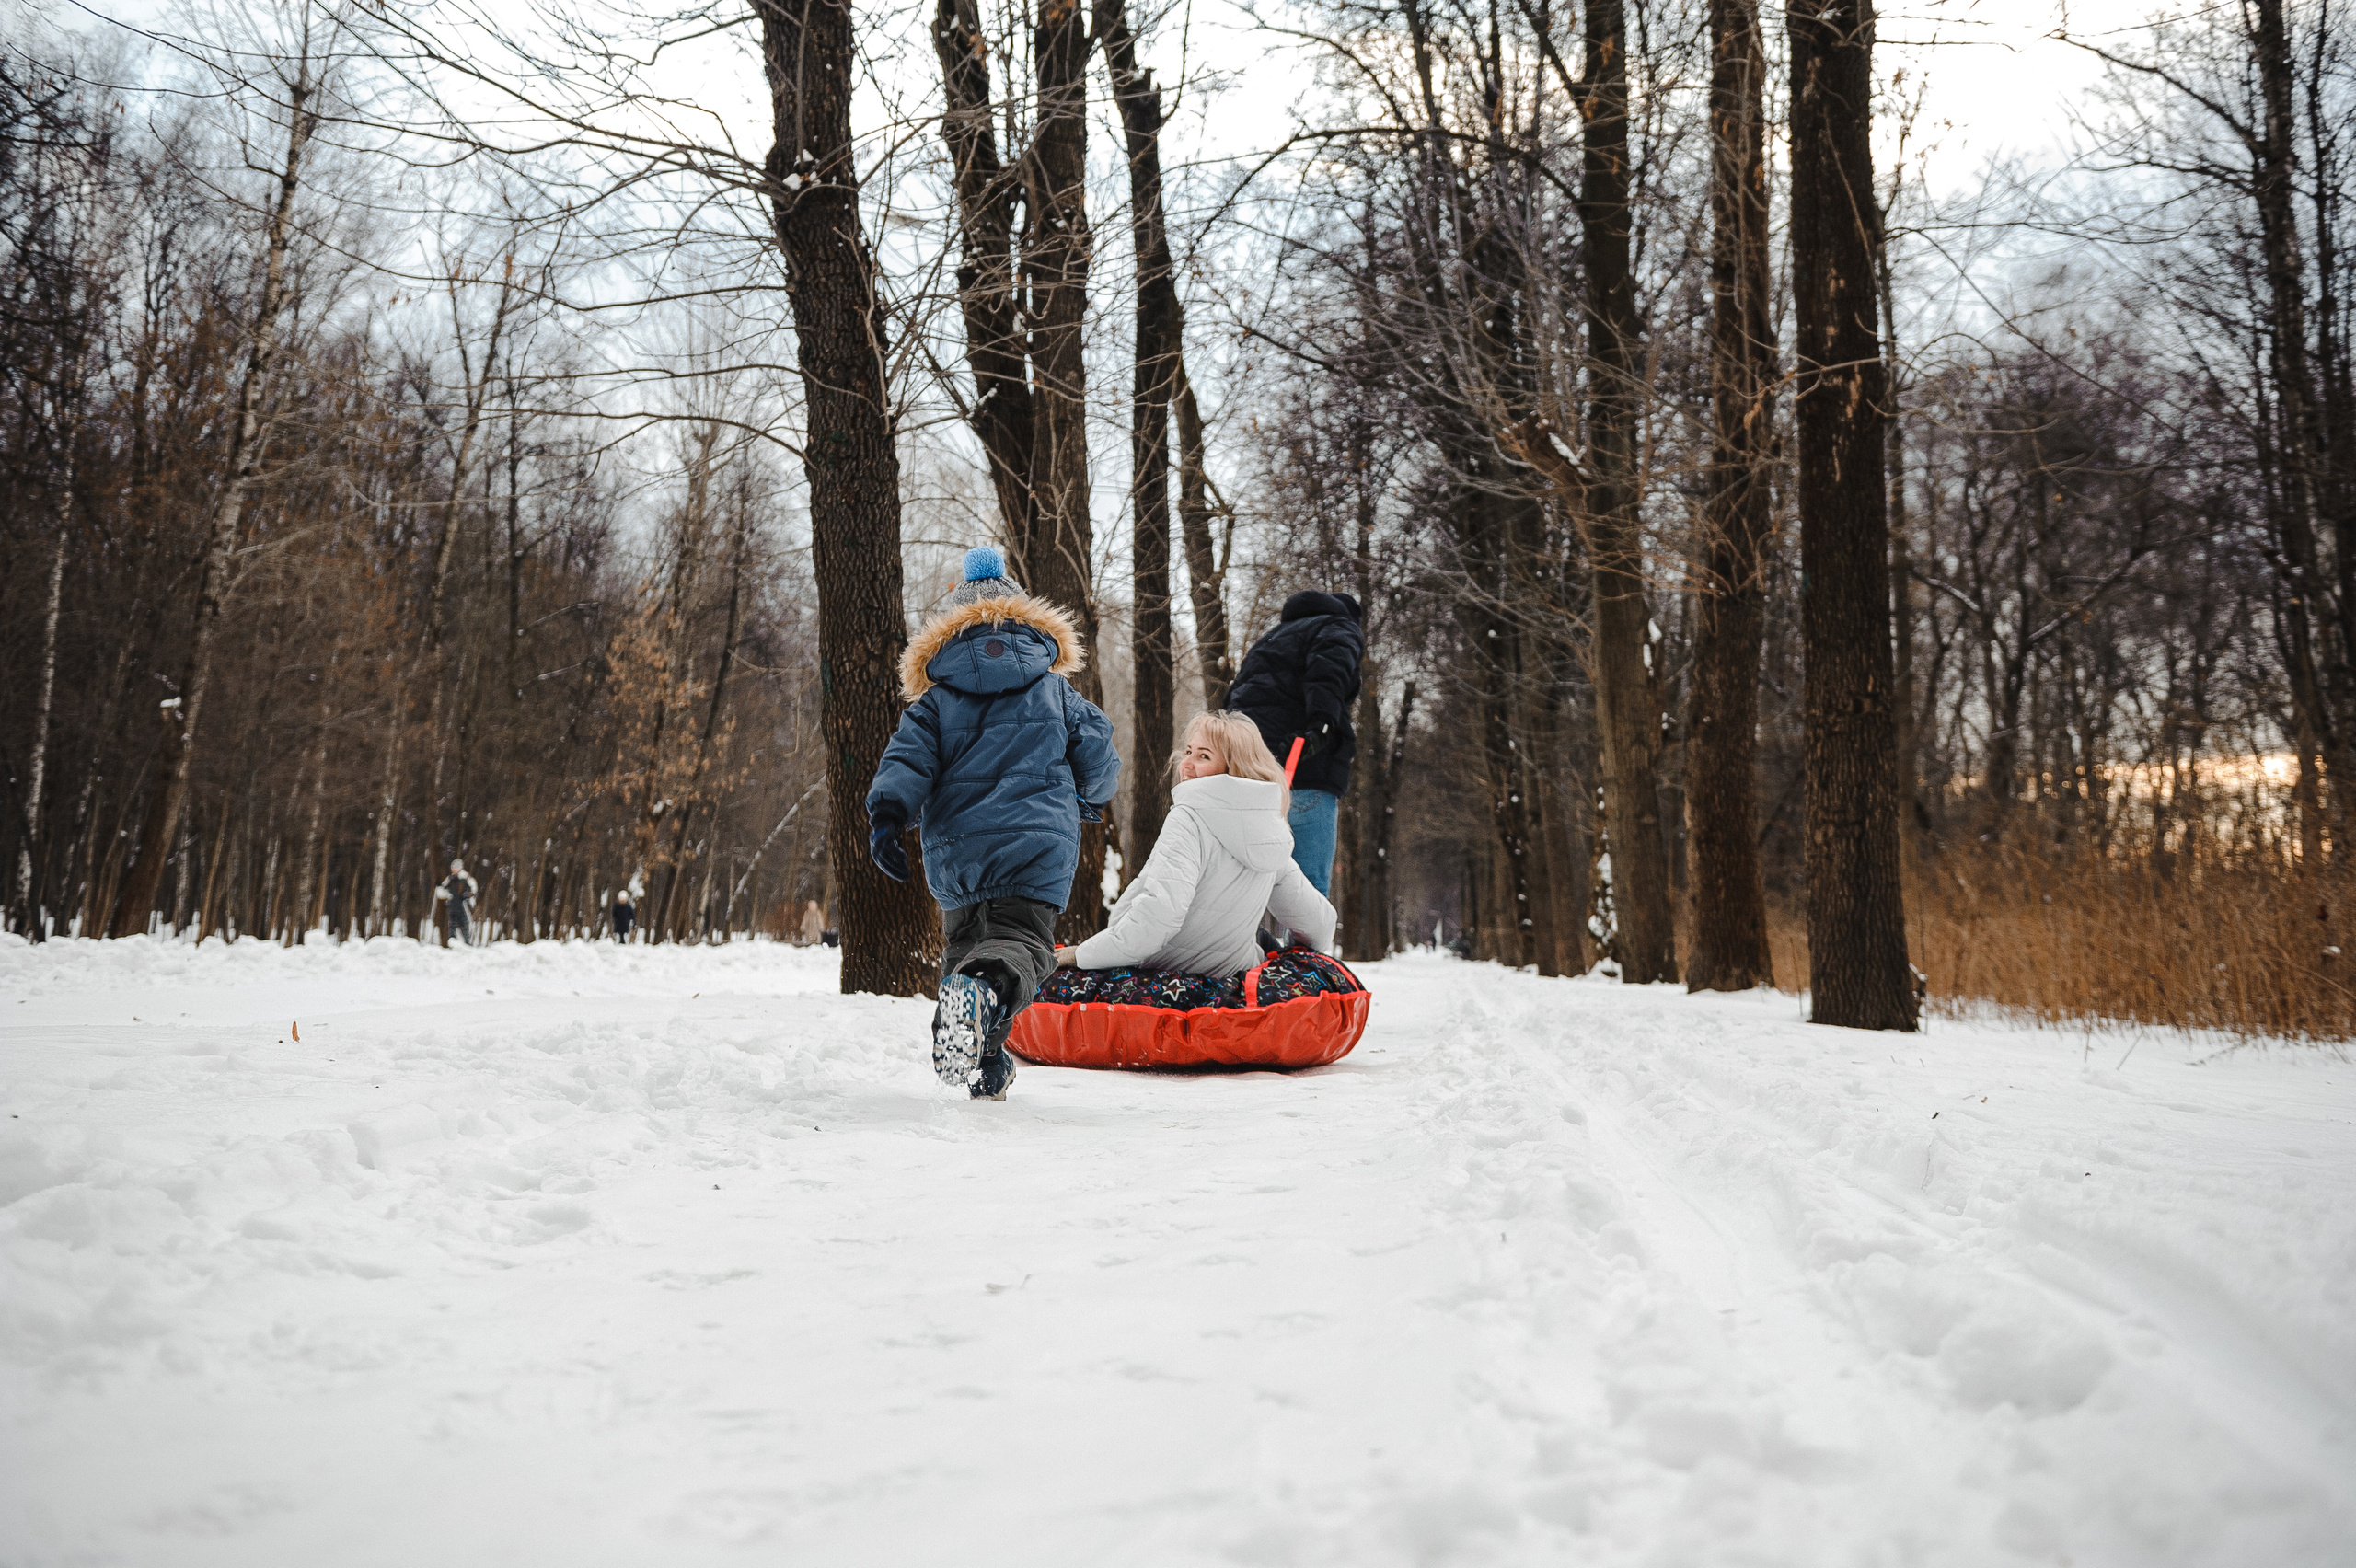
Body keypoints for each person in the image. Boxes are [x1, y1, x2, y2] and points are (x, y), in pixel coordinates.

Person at [866, 546, 1121, 1100]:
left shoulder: (935, 700)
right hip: (1036, 851)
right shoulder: (1054, 689)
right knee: (1019, 945)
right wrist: (1091, 795)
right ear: (1025, 617)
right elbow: (1098, 749)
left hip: (957, 855)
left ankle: (987, 1064)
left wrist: (888, 817)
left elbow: (906, 759)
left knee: (966, 953)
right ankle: (982, 1005)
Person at [1058, 711, 1334, 977]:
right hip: (1236, 979)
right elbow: (1319, 925)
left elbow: (1157, 917)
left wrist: (1081, 955)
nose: (1186, 764)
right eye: (1188, 751)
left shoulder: (1189, 818)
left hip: (1164, 975)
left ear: (1234, 767)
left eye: (1203, 756)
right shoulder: (1270, 831)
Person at [1225, 591, 1365, 896]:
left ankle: (1241, 943)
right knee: (1308, 888)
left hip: (1249, 778)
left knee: (1246, 887)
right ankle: (1302, 945)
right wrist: (1320, 728)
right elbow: (1329, 675)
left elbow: (1235, 700)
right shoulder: (1339, 625)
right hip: (1302, 768)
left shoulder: (1270, 640)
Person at [439, 859, 479, 946]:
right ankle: (452, 944)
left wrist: (466, 895)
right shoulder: (450, 879)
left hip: (463, 907)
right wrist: (443, 890)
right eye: (452, 868)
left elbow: (474, 890)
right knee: (452, 926)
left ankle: (467, 944)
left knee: (465, 926)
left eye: (455, 868)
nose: (453, 870)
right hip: (453, 907)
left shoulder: (466, 878)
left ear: (460, 868)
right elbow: (441, 892)